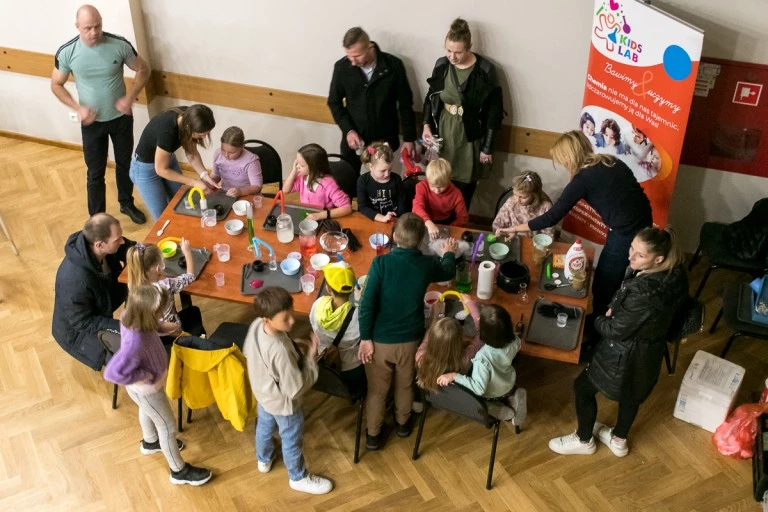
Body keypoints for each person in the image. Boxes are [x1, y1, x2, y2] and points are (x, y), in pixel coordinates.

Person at [548, 227, 688, 457]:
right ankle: (618, 440)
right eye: (632, 248)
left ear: (658, 258)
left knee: (582, 388)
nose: (631, 256)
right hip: (649, 351)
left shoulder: (644, 292)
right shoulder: (676, 272)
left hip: (623, 354)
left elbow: (615, 329)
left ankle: (584, 440)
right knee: (632, 395)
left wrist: (600, 319)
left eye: (640, 255)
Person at [504, 131, 652, 319]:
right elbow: (635, 192)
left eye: (561, 160)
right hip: (643, 220)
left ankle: (601, 325)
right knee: (616, 276)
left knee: (604, 283)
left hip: (625, 232)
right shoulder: (610, 160)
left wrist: (516, 228)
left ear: (568, 157)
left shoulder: (582, 180)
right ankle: (608, 315)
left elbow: (551, 217)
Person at [357, 213, 458, 450]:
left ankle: (373, 435)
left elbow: (366, 304)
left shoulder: (380, 263)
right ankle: (403, 424)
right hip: (410, 340)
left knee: (376, 391)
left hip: (380, 341)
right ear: (422, 241)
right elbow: (447, 271)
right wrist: (449, 252)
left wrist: (365, 338)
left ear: (394, 237)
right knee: (404, 386)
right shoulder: (426, 264)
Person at [103, 285, 212, 485]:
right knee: (168, 427)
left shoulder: (131, 315)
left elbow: (149, 327)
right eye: (160, 311)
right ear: (148, 312)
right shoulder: (135, 343)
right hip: (148, 389)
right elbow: (113, 372)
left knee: (147, 411)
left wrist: (162, 328)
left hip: (143, 391)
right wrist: (143, 375)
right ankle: (178, 471)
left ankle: (150, 441)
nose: (163, 312)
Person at [51, 5, 150, 224]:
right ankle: (97, 217)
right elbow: (56, 84)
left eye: (97, 26)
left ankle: (126, 203)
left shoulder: (119, 44)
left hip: (121, 119)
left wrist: (130, 96)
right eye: (87, 28)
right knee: (95, 171)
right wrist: (78, 109)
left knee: (124, 164)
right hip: (91, 122)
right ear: (77, 27)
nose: (94, 32)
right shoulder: (67, 51)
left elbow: (144, 69)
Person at [242, 287, 333, 495]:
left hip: (263, 393)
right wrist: (311, 359)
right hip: (284, 405)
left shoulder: (256, 325)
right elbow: (295, 388)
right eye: (286, 319)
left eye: (291, 314)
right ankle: (297, 477)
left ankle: (263, 460)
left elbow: (249, 351)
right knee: (291, 438)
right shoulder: (279, 350)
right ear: (267, 319)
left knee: (264, 426)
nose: (292, 322)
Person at [422, 18, 504, 209]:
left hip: (469, 134)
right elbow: (430, 97)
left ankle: (459, 222)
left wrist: (487, 147)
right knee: (439, 181)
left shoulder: (485, 70)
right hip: (443, 130)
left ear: (469, 48)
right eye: (448, 50)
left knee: (463, 186)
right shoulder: (441, 65)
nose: (452, 56)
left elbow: (494, 111)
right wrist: (426, 125)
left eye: (458, 52)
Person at [52, 213, 134, 370]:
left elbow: (128, 247)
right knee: (132, 364)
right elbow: (83, 322)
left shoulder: (100, 242)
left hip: (102, 300)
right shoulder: (75, 281)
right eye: (117, 239)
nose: (122, 241)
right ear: (99, 245)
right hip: (78, 334)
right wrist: (122, 326)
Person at [327, 27, 417, 167]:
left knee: (383, 181)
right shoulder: (341, 68)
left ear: (370, 47)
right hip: (354, 138)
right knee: (347, 181)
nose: (353, 62)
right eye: (349, 56)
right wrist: (348, 130)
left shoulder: (393, 65)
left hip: (385, 138)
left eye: (357, 56)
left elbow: (406, 104)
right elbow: (334, 103)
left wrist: (409, 138)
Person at [437, 304, 526, 425]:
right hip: (508, 382)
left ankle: (493, 408)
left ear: (483, 333)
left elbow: (478, 389)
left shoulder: (482, 358)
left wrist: (454, 376)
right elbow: (517, 344)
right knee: (504, 390)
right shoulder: (515, 341)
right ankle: (512, 398)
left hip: (491, 393)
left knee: (476, 399)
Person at [130, 104, 220, 220]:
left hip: (167, 159)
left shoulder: (189, 115)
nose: (204, 137)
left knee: (181, 202)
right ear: (189, 127)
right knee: (162, 215)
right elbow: (161, 169)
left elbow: (192, 154)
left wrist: (204, 176)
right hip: (145, 168)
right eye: (201, 134)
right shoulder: (167, 132)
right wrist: (193, 182)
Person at [309, 262, 366, 392]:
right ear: (352, 288)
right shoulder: (359, 315)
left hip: (325, 363)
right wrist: (360, 301)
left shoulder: (317, 305)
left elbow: (313, 325)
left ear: (328, 289)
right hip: (351, 370)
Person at [125, 240, 195, 339]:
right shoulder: (165, 285)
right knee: (193, 313)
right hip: (171, 332)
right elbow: (190, 276)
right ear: (158, 268)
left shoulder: (132, 284)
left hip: (151, 335)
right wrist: (187, 252)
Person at [416, 295, 484, 391]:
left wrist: (435, 314)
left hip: (435, 396)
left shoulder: (420, 358)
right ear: (459, 339)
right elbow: (482, 333)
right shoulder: (464, 360)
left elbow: (429, 331)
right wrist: (471, 305)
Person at [282, 143, 352, 221]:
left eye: (301, 165)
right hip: (308, 216)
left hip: (322, 219)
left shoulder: (328, 184)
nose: (297, 166)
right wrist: (293, 171)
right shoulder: (303, 177)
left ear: (314, 167)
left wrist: (319, 215)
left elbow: (347, 208)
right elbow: (285, 190)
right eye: (297, 162)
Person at [412, 158, 469, 239]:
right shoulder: (421, 186)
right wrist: (428, 223)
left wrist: (449, 229)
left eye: (441, 187)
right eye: (432, 186)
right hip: (422, 219)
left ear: (449, 180)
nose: (436, 191)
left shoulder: (456, 194)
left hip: (444, 223)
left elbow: (463, 217)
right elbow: (417, 207)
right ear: (427, 179)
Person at [492, 171, 555, 238]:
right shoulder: (511, 202)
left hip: (534, 243)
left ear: (534, 195)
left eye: (523, 197)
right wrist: (502, 233)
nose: (517, 200)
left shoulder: (545, 207)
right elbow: (497, 225)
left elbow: (548, 235)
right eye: (515, 194)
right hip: (511, 238)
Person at [357, 142, 405, 223]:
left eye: (390, 170)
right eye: (383, 171)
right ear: (371, 166)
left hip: (393, 220)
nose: (387, 174)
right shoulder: (363, 181)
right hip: (373, 220)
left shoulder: (396, 179)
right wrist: (381, 218)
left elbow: (402, 204)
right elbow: (363, 207)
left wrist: (395, 216)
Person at [211, 126, 263, 197]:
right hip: (226, 195)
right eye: (223, 150)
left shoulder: (251, 161)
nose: (226, 155)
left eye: (232, 153)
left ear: (242, 147)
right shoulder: (218, 154)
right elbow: (216, 175)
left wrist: (240, 192)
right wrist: (208, 183)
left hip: (247, 196)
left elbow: (257, 187)